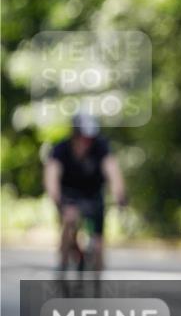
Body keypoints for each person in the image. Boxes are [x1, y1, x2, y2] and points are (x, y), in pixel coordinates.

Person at [44, 112, 127, 272]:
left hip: (93, 194)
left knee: (98, 244)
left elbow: (113, 171)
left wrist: (119, 195)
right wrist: (58, 200)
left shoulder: (100, 146)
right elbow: (51, 177)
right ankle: (63, 262)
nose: (87, 142)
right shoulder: (60, 149)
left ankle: (97, 275)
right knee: (69, 221)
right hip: (69, 194)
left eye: (90, 138)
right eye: (83, 137)